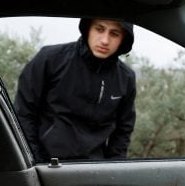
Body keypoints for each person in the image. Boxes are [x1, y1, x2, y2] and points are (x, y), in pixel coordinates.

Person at [15, 18, 136, 161]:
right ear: (88, 28)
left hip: (93, 168)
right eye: (99, 29)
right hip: (47, 163)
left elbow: (123, 130)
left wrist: (114, 169)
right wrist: (34, 160)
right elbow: (23, 113)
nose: (105, 40)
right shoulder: (50, 59)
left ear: (123, 39)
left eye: (114, 34)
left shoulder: (125, 78)